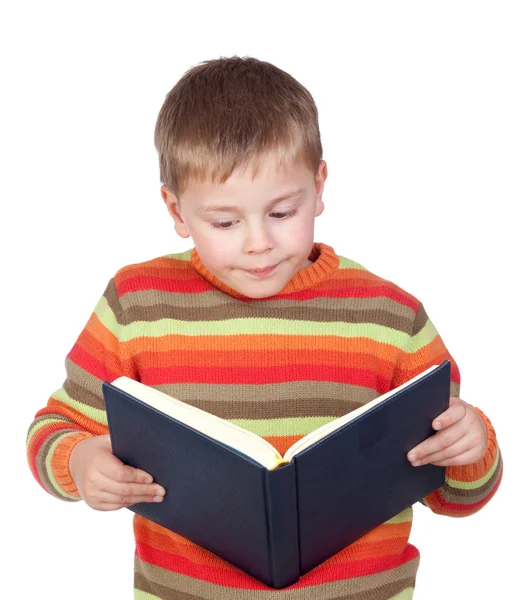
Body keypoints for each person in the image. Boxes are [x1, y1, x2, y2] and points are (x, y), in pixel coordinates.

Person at [26, 55, 502, 600]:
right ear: (176, 210)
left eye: (282, 212)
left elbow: (457, 499)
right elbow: (53, 430)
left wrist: (474, 446)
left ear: (319, 184)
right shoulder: (138, 304)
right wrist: (81, 461)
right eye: (225, 222)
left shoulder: (392, 317)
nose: (258, 242)